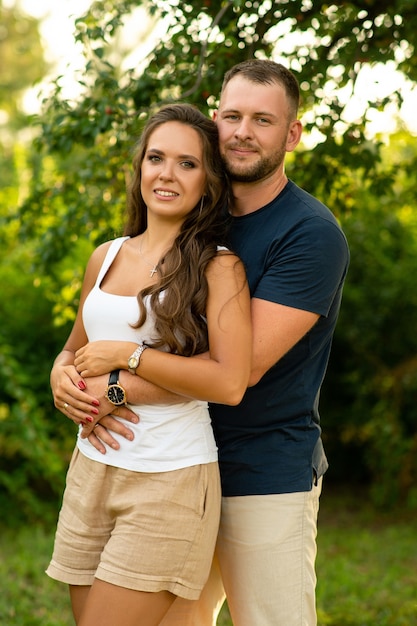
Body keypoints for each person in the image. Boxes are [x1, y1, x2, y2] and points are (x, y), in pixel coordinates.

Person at [56, 60, 350, 626]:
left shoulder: (308, 234)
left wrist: (108, 389)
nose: (243, 131)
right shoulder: (193, 217)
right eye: (232, 115)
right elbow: (106, 327)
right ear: (215, 120)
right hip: (167, 460)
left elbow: (242, 371)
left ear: (292, 135)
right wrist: (63, 375)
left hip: (260, 468)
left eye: (263, 120)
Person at [47, 103, 252, 626]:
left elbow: (229, 382)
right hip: (91, 468)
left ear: (208, 181)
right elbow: (75, 346)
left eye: (187, 163)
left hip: (169, 477)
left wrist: (130, 356)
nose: (166, 173)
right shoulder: (106, 255)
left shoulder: (218, 266)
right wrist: (59, 375)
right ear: (139, 167)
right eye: (156, 157)